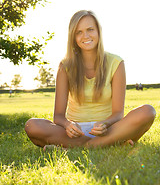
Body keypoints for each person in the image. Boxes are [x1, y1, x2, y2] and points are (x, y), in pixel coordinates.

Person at [25, 10, 156, 149]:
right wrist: (68, 125)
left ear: (98, 31)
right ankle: (110, 144)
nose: (85, 36)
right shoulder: (65, 66)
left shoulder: (116, 63)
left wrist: (105, 124)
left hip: (108, 129)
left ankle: (79, 148)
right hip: (75, 133)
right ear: (73, 37)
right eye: (79, 32)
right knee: (32, 125)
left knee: (148, 111)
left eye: (90, 29)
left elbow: (118, 113)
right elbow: (58, 116)